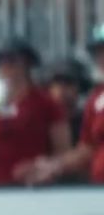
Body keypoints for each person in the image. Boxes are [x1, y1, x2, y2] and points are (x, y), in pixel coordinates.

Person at [0, 40, 71, 186]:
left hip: (35, 187)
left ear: (26, 64)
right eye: (0, 62)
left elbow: (62, 152)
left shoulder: (46, 103)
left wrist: (43, 168)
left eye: (11, 61)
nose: (5, 67)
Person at [31, 25, 104, 185]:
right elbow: (87, 148)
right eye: (99, 52)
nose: (101, 58)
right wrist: (54, 166)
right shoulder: (97, 98)